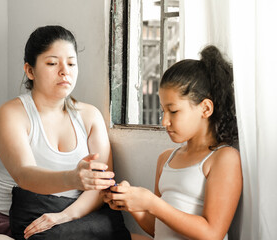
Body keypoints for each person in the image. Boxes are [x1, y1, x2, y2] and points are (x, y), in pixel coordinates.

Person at [0, 25, 130, 240]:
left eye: (72, 63)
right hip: (16, 224)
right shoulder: (11, 114)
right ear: (30, 70)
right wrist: (73, 178)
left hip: (75, 221)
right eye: (52, 63)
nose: (65, 71)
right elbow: (24, 175)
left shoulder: (90, 116)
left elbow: (100, 186)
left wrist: (64, 216)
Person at [103, 45, 242, 240]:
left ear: (206, 108)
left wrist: (151, 203)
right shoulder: (166, 159)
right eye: (162, 111)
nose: (164, 121)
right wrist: (133, 205)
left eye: (173, 111)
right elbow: (157, 228)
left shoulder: (223, 158)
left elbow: (212, 233)